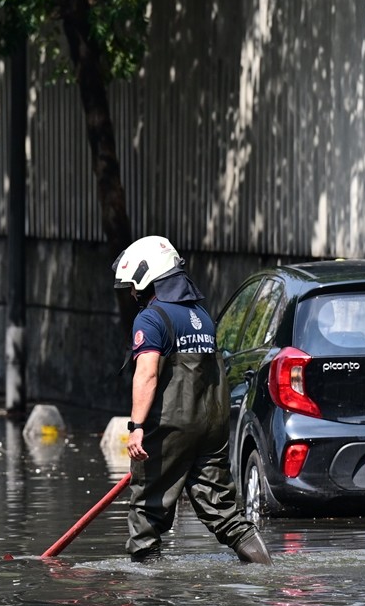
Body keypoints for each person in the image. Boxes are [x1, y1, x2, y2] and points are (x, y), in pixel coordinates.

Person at [112, 235, 272, 564]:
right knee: (225, 513)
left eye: (133, 285)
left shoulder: (151, 318)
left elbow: (147, 374)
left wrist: (137, 427)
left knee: (147, 516)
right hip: (211, 427)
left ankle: (150, 603)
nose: (132, 293)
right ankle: (269, 572)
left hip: (172, 428)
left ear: (148, 277)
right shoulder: (202, 316)